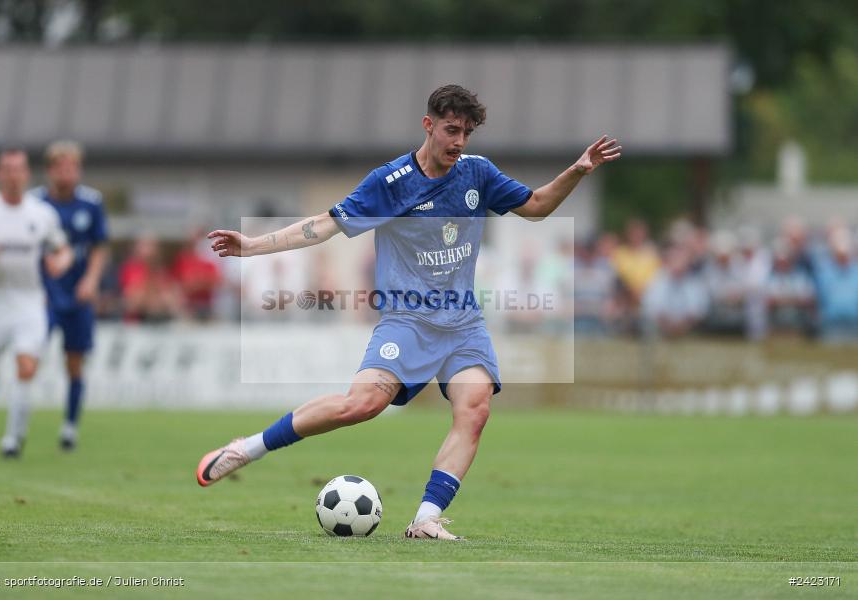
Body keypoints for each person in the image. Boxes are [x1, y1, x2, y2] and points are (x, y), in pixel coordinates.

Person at [196, 84, 621, 540]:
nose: (458, 142)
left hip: (462, 323)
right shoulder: (391, 182)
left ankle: (425, 519)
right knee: (361, 406)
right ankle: (250, 448)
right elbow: (325, 225)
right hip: (407, 321)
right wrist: (253, 245)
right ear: (428, 125)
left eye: (467, 133)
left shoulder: (477, 173)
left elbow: (536, 207)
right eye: (451, 130)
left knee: (474, 410)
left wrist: (577, 171)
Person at [0, 149, 71, 456]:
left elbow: (62, 248)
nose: (13, 175)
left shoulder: (41, 214)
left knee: (26, 366)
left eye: (18, 169)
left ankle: (13, 439)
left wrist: (60, 262)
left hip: (28, 302)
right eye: (7, 169)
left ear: (26, 174)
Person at [32, 141, 109, 450]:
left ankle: (69, 427)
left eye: (73, 167)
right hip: (44, 295)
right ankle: (17, 428)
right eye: (61, 167)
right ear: (50, 170)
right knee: (30, 357)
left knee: (74, 362)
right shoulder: (34, 204)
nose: (68, 173)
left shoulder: (91, 203)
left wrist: (91, 280)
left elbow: (99, 247)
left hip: (77, 296)